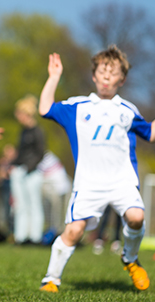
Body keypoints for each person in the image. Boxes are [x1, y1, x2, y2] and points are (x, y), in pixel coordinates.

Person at [38, 45, 154, 292]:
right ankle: (51, 279)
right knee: (74, 230)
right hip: (88, 184)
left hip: (122, 181)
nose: (106, 77)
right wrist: (54, 77)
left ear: (121, 79)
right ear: (94, 76)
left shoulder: (128, 111)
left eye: (112, 74)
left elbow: (151, 133)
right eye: (102, 72)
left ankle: (130, 259)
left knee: (136, 217)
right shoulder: (78, 107)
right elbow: (45, 109)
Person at [10, 95, 46, 245]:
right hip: (20, 172)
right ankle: (21, 236)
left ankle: (35, 237)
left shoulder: (38, 131)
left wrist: (28, 168)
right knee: (20, 206)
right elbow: (20, 153)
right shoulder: (23, 132)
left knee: (34, 205)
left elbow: (40, 153)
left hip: (32, 174)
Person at [37, 151, 71, 241]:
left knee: (59, 214)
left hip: (61, 189)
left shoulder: (46, 158)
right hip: (56, 188)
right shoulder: (47, 157)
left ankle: (58, 233)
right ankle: (55, 231)